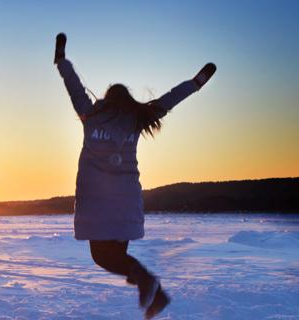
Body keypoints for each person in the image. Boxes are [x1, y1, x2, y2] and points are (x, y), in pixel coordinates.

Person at [54, 33, 216, 319]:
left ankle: (148, 282)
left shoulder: (90, 114)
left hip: (97, 201)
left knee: (102, 257)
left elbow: (74, 88)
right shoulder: (137, 117)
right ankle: (154, 292)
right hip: (126, 200)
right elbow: (169, 100)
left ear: (106, 98)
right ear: (127, 100)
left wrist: (62, 61)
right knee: (118, 256)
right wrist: (196, 83)